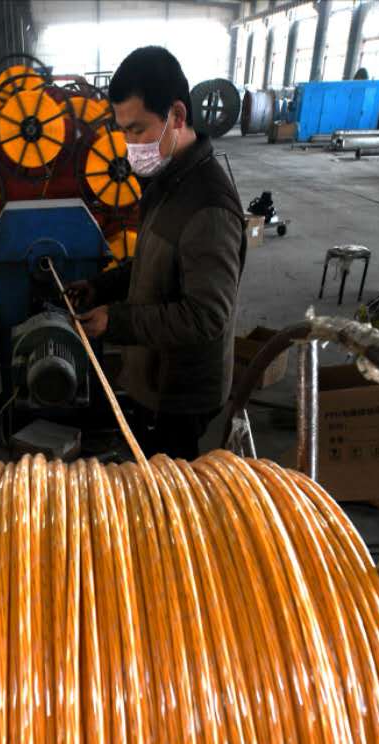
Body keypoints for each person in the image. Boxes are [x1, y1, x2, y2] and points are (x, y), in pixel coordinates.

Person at [68, 46, 246, 460]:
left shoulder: (209, 206)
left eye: (137, 130)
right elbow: (155, 260)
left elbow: (206, 315)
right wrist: (101, 287)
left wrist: (117, 321)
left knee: (166, 487)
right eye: (123, 132)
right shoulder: (168, 179)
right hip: (155, 375)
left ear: (177, 116)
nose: (130, 146)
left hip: (180, 394)